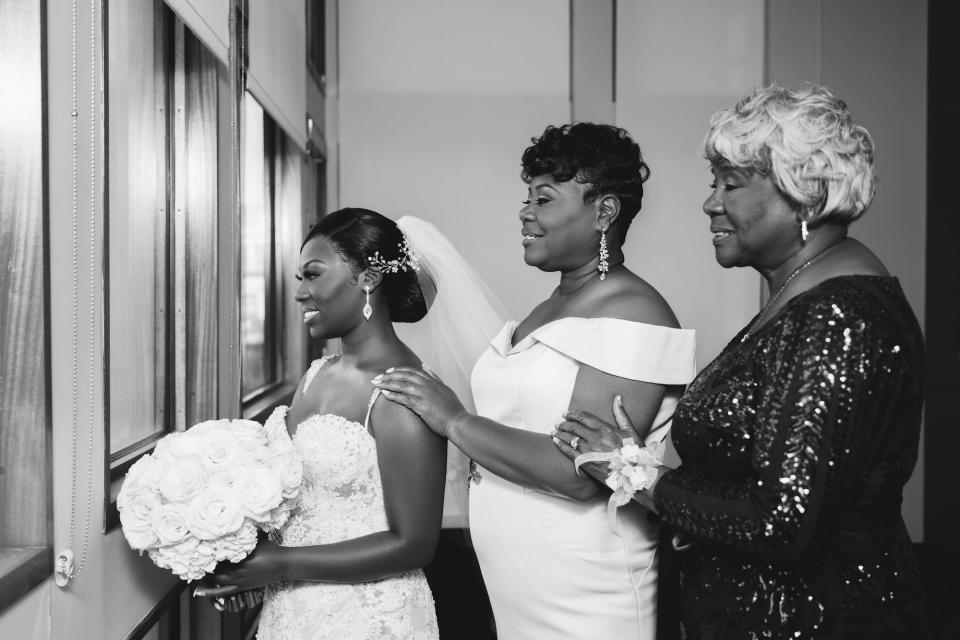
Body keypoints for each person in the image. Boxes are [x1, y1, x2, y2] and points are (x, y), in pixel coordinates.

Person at [555, 83, 925, 639]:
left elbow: (783, 520)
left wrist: (637, 474)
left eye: (731, 184)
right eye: (713, 182)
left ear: (805, 194)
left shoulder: (837, 315)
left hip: (811, 620)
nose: (710, 202)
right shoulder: (801, 296)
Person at [375, 123, 697, 639]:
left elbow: (579, 474)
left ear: (604, 211)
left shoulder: (633, 313)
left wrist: (454, 419)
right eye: (527, 198)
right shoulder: (550, 307)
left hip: (587, 593)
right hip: (523, 586)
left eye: (544, 199)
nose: (525, 212)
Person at [197, 208, 460, 640]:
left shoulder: (403, 391)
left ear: (369, 279)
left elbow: (414, 543)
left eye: (313, 275)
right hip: (293, 610)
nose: (300, 292)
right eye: (300, 278)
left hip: (367, 617)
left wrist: (280, 564)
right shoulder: (317, 372)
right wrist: (245, 565)